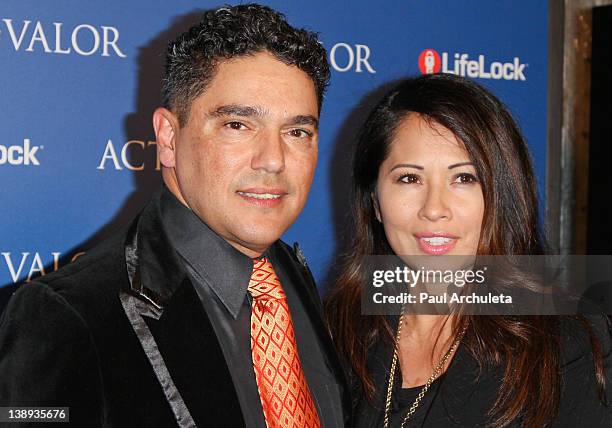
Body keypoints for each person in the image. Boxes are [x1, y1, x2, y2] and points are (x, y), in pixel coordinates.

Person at [0, 4, 348, 427]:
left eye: (297, 132)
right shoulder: (65, 316)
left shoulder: (292, 274)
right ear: (167, 138)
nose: (273, 160)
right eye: (237, 125)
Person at [325, 74, 612, 427]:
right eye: (409, 178)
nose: (434, 208)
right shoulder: (336, 332)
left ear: (500, 195)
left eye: (464, 178)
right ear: (375, 202)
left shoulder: (566, 346)